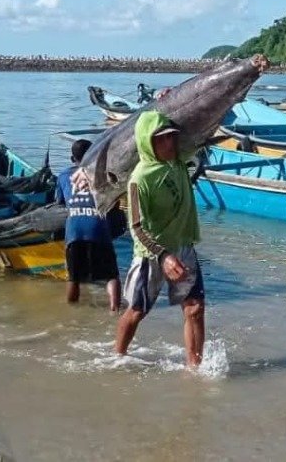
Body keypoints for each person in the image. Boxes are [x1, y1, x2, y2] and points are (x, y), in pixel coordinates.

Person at [113, 110, 205, 368]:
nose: (169, 144)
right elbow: (136, 227)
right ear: (147, 142)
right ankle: (116, 358)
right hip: (151, 254)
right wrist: (163, 255)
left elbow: (201, 125)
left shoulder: (179, 161)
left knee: (194, 309)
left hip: (183, 245)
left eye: (171, 138)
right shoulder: (139, 179)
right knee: (137, 311)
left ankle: (194, 368)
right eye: (161, 139)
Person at [55, 139, 121, 310]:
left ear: (72, 158)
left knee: (74, 278)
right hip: (98, 228)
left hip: (74, 231)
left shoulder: (63, 176)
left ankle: (71, 312)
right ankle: (114, 310)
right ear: (94, 155)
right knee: (111, 275)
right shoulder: (103, 175)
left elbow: (60, 203)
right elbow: (114, 204)